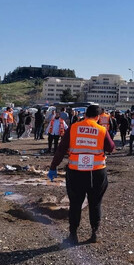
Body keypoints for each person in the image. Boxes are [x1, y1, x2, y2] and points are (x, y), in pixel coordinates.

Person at [47, 105, 115, 245]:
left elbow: (61, 149)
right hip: (97, 172)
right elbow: (110, 148)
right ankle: (94, 233)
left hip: (76, 172)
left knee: (75, 204)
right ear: (97, 117)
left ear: (85, 115)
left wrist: (53, 166)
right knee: (95, 203)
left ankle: (73, 235)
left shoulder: (74, 128)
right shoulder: (101, 129)